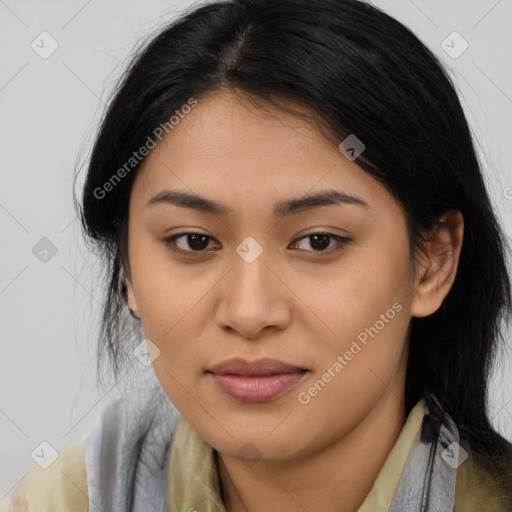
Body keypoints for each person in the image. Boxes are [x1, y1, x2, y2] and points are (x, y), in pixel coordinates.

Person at [2, 0, 511, 510]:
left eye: (319, 241)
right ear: (129, 268)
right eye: (193, 241)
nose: (248, 313)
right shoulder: (65, 500)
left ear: (433, 262)